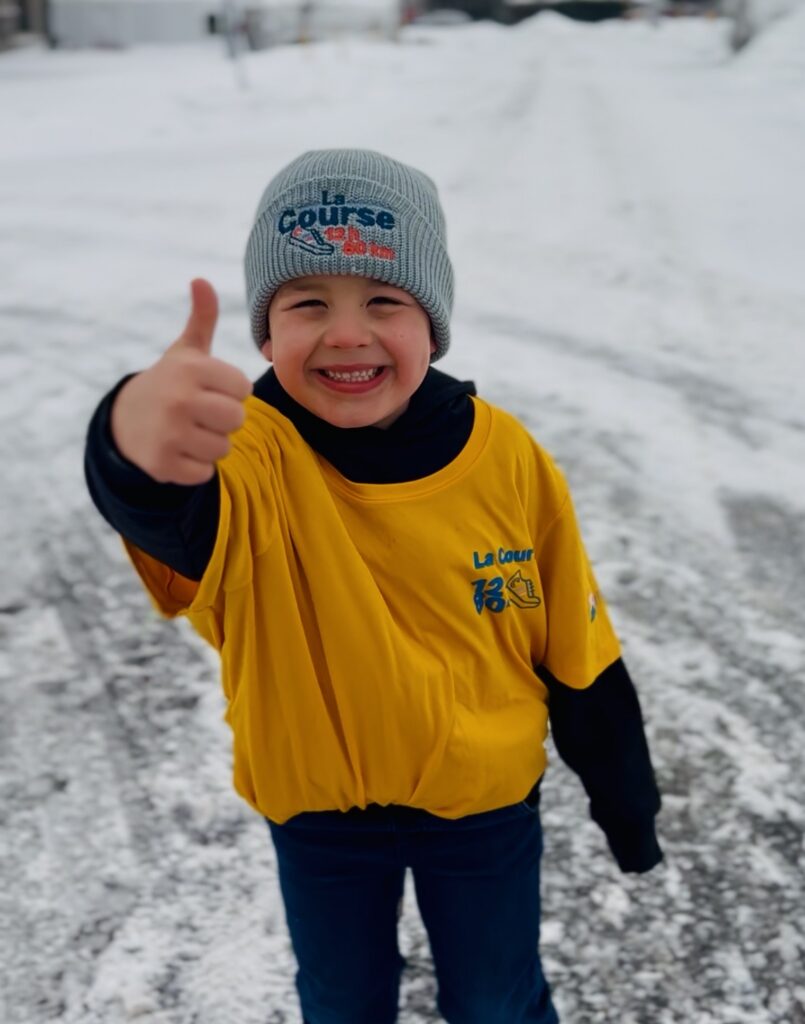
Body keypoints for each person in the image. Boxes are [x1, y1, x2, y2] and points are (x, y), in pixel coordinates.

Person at [85, 149, 663, 1024]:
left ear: (431, 324)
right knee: (342, 1003)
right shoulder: (250, 455)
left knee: (496, 1001)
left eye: (383, 302)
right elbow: (172, 509)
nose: (347, 333)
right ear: (264, 332)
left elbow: (579, 650)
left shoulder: (504, 455)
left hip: (482, 810)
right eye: (307, 302)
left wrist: (626, 802)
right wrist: (131, 438)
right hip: (319, 820)